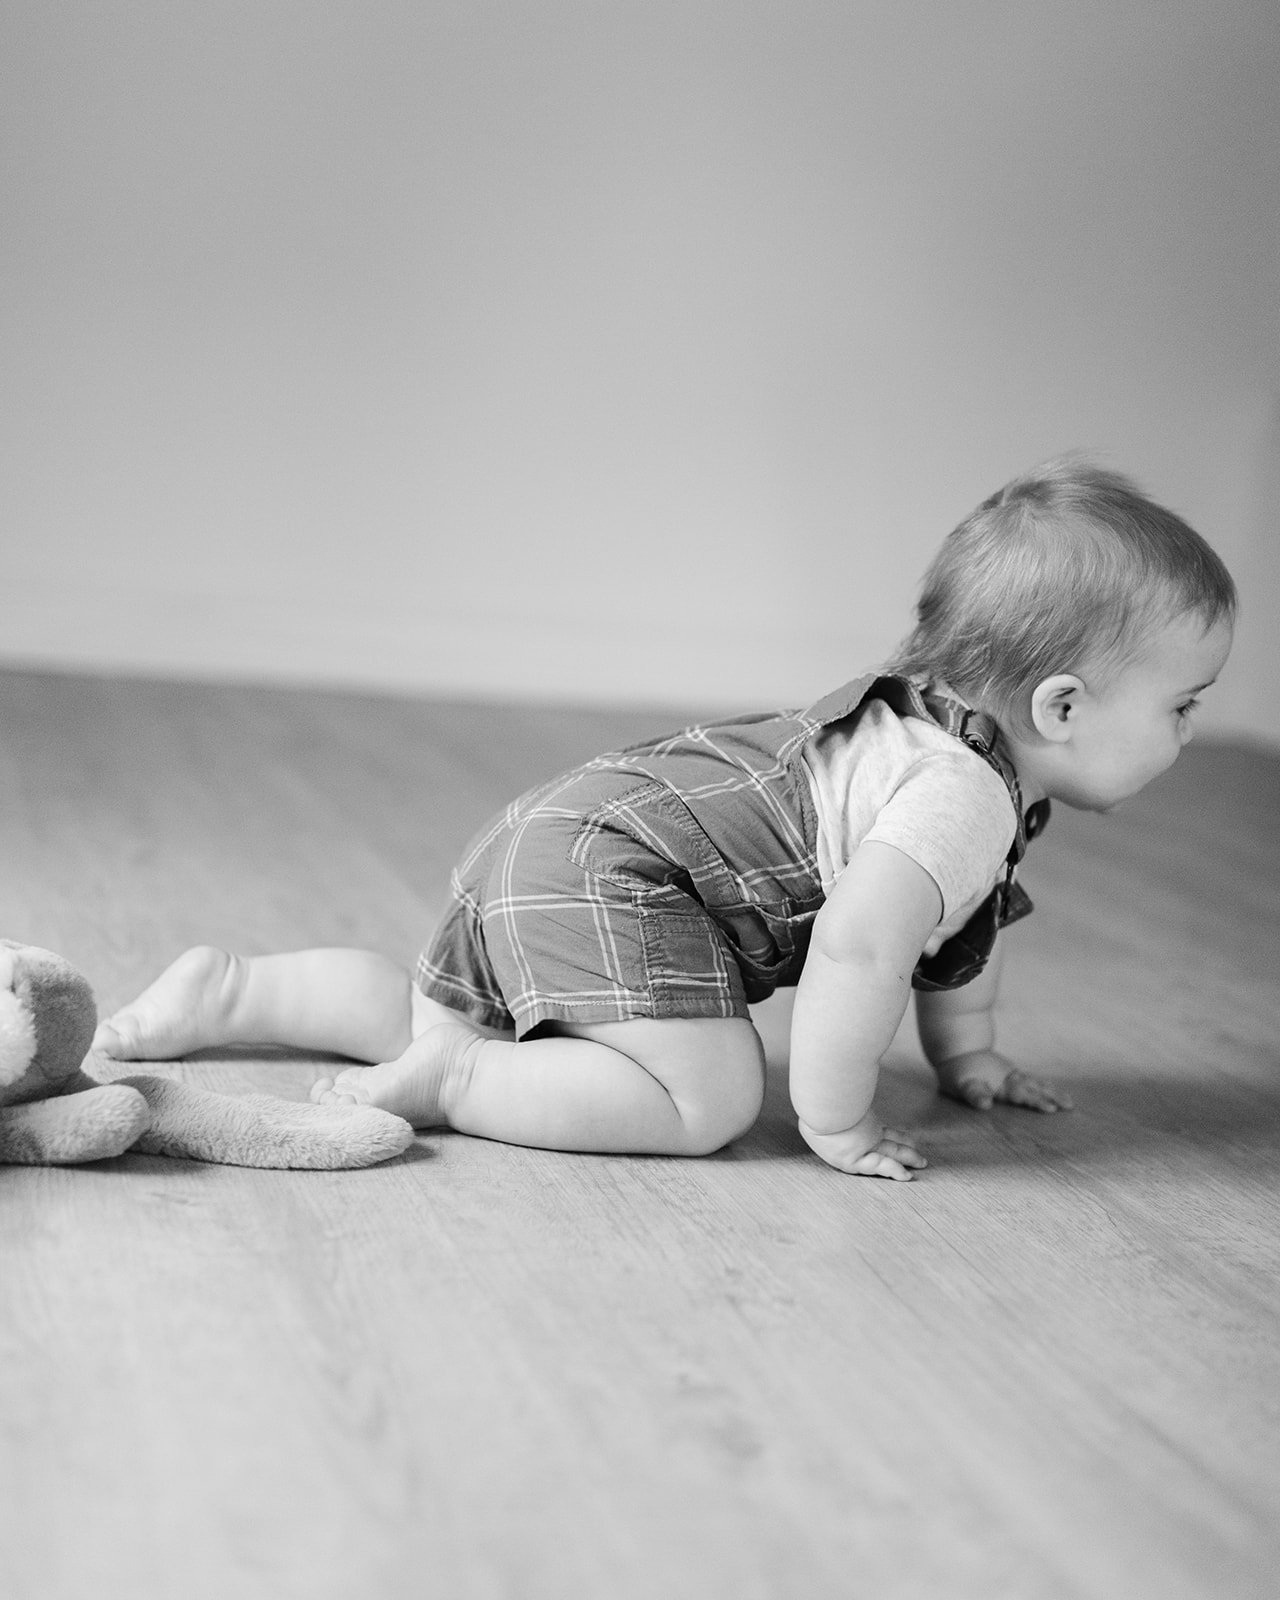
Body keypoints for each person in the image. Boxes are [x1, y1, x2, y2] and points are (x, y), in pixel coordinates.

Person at [93, 458, 1236, 1179]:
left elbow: (954, 938)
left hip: (572, 830)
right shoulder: (957, 795)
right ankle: (457, 1082)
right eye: (1182, 703)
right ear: (1062, 704)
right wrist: (833, 1122)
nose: (1188, 727)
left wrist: (967, 1056)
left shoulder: (941, 745)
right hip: (625, 874)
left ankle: (243, 990)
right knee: (707, 1098)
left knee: (431, 998)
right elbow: (861, 942)